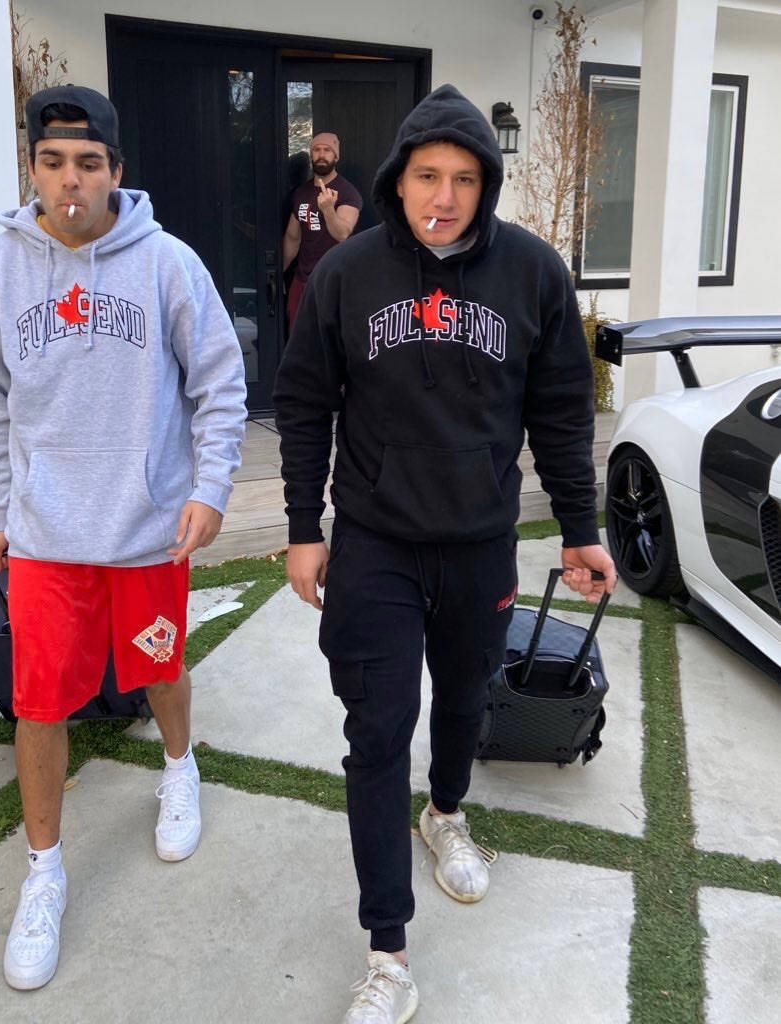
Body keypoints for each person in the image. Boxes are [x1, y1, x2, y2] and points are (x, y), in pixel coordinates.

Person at [273, 84, 616, 1024]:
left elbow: (558, 410)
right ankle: (388, 950)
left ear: (487, 185)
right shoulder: (349, 275)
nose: (446, 194)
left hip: (479, 544)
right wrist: (305, 528)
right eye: (428, 173)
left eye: (466, 178)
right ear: (398, 178)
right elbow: (304, 404)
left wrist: (580, 528)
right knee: (378, 731)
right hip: (375, 541)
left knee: (463, 703)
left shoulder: (533, 274)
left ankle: (447, 813)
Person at [0, 84, 246, 991]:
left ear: (117, 170)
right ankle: (44, 871)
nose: (70, 180)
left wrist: (208, 487)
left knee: (160, 665)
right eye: (52, 162)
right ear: (32, 170)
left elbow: (219, 379)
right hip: (48, 535)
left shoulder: (166, 263)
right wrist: (5, 507)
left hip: (146, 528)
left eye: (89, 163)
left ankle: (179, 765)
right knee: (38, 700)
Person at [282, 132, 363, 334]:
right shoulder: (302, 192)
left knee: (328, 344)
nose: (321, 155)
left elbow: (342, 233)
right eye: (316, 150)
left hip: (333, 283)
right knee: (298, 340)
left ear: (336, 156)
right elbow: (293, 238)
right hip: (302, 282)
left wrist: (328, 209)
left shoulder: (347, 193)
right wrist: (277, 272)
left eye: (327, 150)